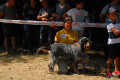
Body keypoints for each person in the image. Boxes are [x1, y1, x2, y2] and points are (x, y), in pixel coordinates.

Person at [106, 7, 120, 77]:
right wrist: (118, 31)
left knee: (117, 57)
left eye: (115, 14)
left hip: (118, 42)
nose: (114, 15)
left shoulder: (118, 22)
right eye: (112, 14)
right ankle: (108, 72)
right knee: (111, 58)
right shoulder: (109, 23)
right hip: (112, 43)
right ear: (108, 16)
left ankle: (116, 71)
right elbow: (115, 32)